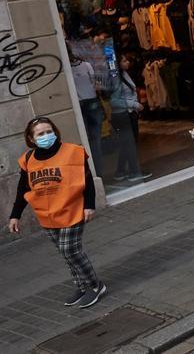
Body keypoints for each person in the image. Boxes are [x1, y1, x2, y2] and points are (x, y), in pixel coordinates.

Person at [8, 117, 106, 309]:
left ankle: (95, 286)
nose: (46, 136)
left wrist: (89, 205)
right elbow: (22, 189)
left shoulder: (73, 152)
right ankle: (81, 286)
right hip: (47, 214)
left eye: (49, 131)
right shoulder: (28, 160)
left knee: (70, 250)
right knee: (64, 252)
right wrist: (15, 215)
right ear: (31, 138)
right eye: (40, 134)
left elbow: (86, 181)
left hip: (73, 209)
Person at [106, 53, 149, 183]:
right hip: (123, 114)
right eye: (124, 60)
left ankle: (120, 171)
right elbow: (114, 101)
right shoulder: (116, 78)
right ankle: (134, 171)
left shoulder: (124, 74)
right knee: (130, 143)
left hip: (128, 113)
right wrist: (134, 104)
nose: (127, 62)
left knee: (127, 143)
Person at [68, 48, 104, 178]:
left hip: (79, 104)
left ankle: (91, 172)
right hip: (91, 101)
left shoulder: (66, 69)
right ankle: (98, 172)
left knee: (83, 140)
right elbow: (96, 84)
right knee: (95, 139)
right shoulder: (86, 65)